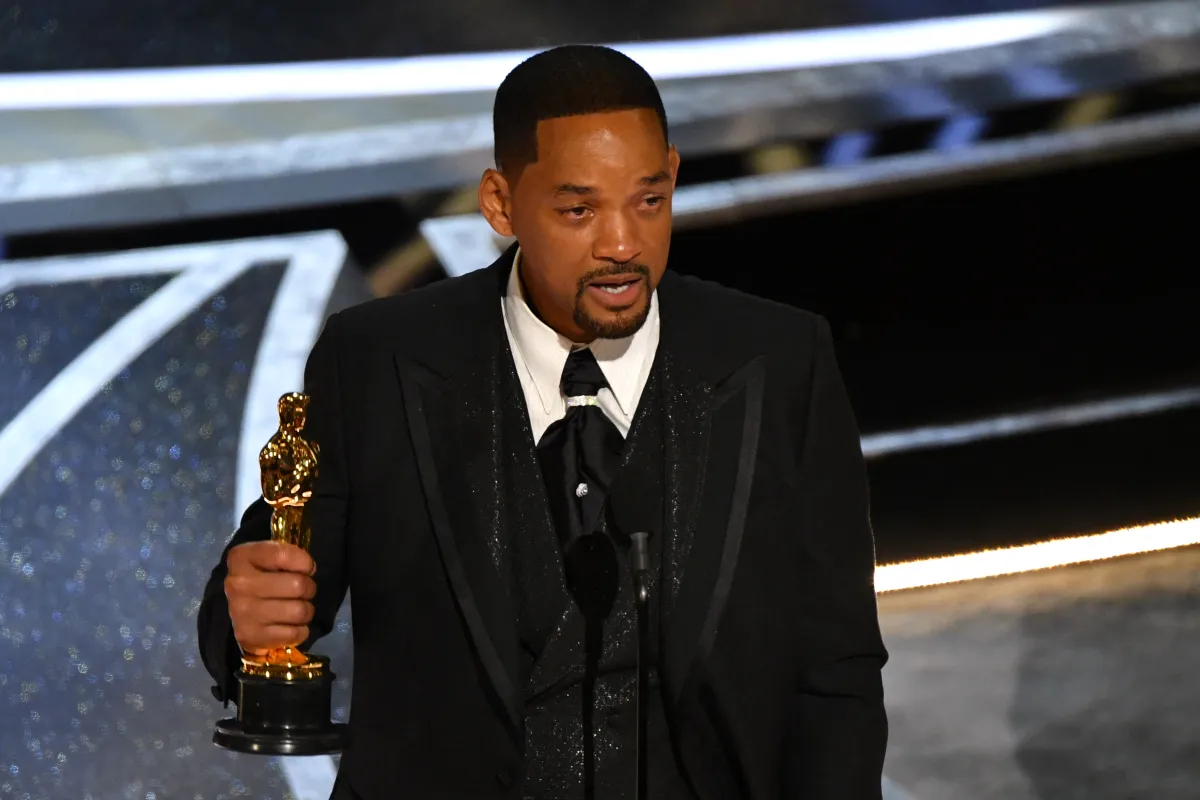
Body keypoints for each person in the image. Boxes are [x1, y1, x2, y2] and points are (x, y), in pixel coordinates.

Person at [198, 44, 888, 799]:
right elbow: (269, 591)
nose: (622, 243)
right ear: (500, 204)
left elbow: (838, 669)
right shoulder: (378, 363)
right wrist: (249, 623)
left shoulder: (780, 360)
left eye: (648, 200)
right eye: (579, 209)